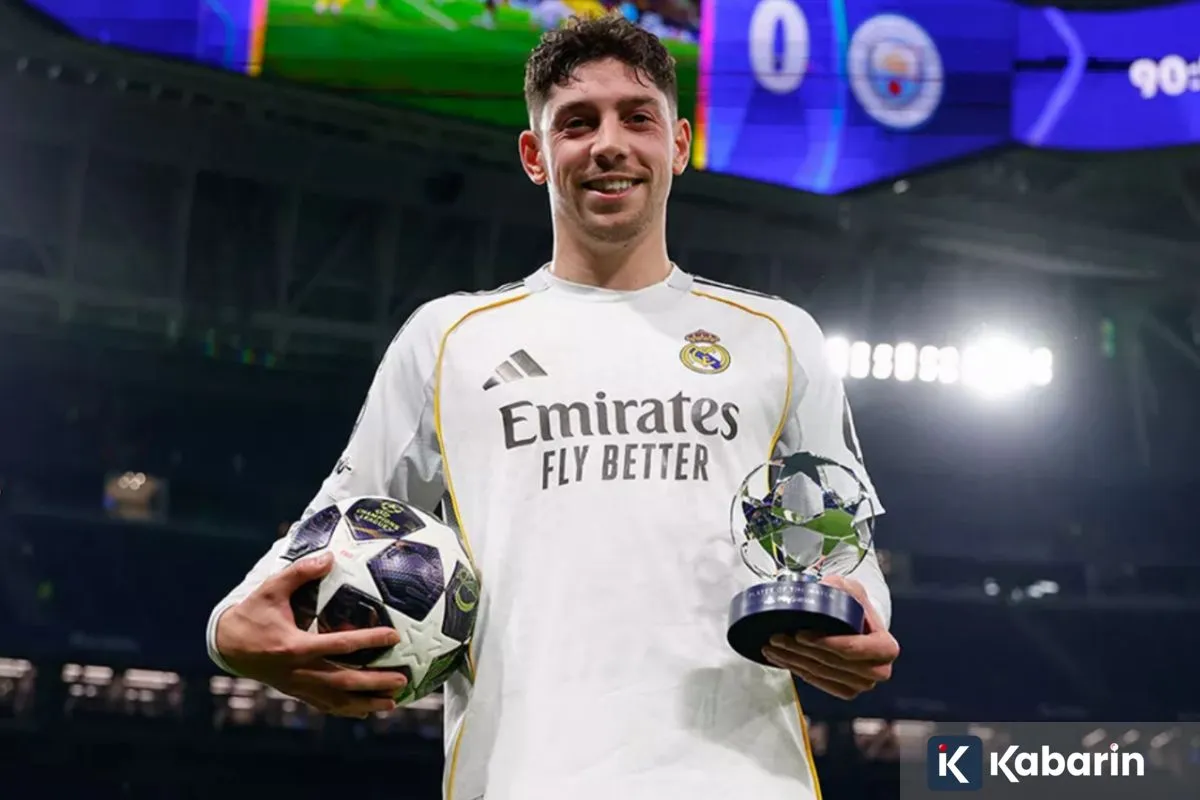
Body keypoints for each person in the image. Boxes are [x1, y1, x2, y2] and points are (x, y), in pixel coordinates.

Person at [207, 14, 899, 800]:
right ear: (535, 156)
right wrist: (229, 631)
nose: (609, 144)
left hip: (742, 781)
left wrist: (861, 616)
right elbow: (337, 521)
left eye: (637, 118)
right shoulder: (448, 337)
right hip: (523, 779)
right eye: (577, 123)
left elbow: (842, 550)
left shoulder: (779, 336)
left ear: (679, 144)